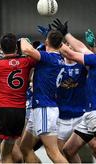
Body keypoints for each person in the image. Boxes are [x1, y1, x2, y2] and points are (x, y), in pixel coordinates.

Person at [51, 18, 96, 163]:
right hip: (90, 114)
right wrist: (66, 34)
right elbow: (81, 48)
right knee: (69, 150)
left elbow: (72, 54)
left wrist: (56, 40)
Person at [0, 33, 36, 163]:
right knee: (7, 155)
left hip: (2, 111)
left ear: (1, 47)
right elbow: (33, 53)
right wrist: (23, 44)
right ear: (16, 47)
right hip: (20, 114)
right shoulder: (27, 61)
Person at [20, 30, 68, 163]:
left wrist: (23, 39)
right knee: (24, 147)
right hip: (40, 108)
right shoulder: (59, 58)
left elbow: (27, 50)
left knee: (53, 152)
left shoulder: (50, 57)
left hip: (45, 108)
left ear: (47, 41)